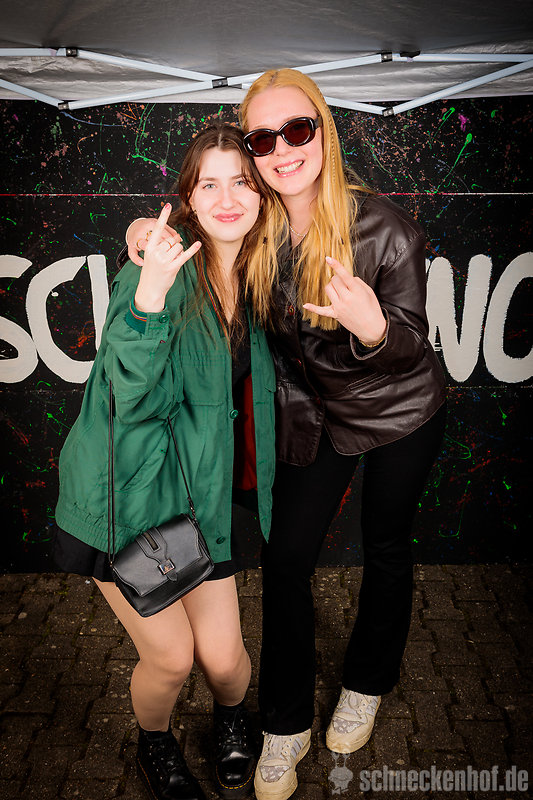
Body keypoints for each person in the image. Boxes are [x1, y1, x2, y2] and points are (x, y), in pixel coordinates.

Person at [126, 69, 447, 800]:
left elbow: (411, 347)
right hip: (313, 414)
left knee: (387, 546)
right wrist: (139, 233)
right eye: (262, 139)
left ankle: (366, 682)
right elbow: (190, 240)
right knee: (286, 559)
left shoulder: (384, 228)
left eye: (296, 130)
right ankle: (284, 722)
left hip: (398, 408)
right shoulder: (257, 220)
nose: (281, 150)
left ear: (323, 133)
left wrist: (374, 328)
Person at [54, 124, 276, 800]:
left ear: (262, 194)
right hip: (126, 499)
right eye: (209, 184)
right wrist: (148, 293)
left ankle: (232, 717)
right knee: (174, 658)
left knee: (227, 663)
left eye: (241, 182)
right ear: (187, 198)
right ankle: (155, 741)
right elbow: (126, 393)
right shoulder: (162, 267)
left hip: (199, 499)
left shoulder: (264, 272)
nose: (227, 198)